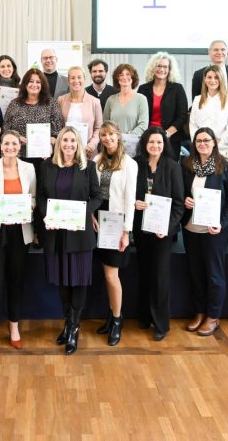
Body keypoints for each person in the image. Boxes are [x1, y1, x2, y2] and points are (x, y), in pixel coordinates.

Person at [35, 126, 102, 354]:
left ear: (79, 144)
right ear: (58, 143)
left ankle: (73, 329)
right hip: (56, 232)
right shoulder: (47, 166)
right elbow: (41, 196)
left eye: (73, 141)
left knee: (79, 280)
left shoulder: (88, 167)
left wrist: (84, 212)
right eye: (65, 140)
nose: (69, 145)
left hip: (79, 233)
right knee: (62, 280)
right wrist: (47, 215)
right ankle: (67, 322)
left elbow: (97, 196)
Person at [0, 130, 36, 353]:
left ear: (19, 147)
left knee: (16, 283)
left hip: (20, 234)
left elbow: (34, 197)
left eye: (14, 144)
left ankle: (14, 327)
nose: (10, 147)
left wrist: (28, 206)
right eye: (6, 144)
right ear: (1, 146)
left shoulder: (28, 169)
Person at [181, 127, 228, 337]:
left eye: (207, 140)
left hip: (214, 230)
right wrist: (184, 200)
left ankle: (213, 316)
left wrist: (222, 224)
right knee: (196, 273)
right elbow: (181, 193)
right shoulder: (186, 165)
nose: (203, 144)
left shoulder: (225, 167)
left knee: (214, 275)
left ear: (214, 142)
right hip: (191, 228)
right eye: (199, 141)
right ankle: (199, 312)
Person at [132, 126, 185, 341]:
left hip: (163, 233)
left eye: (159, 142)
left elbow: (179, 204)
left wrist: (167, 228)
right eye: (151, 142)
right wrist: (133, 203)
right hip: (142, 229)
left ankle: (161, 322)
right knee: (144, 272)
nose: (155, 146)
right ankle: (144, 316)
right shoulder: (136, 165)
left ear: (165, 145)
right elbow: (129, 194)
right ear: (145, 144)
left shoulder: (172, 167)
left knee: (160, 277)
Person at [92, 121, 137, 346]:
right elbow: (91, 192)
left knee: (112, 275)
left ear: (118, 136)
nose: (107, 139)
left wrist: (126, 231)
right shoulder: (96, 161)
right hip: (97, 220)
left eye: (111, 134)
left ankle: (118, 320)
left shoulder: (130, 164)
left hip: (116, 222)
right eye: (103, 135)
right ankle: (111, 316)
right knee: (105, 273)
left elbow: (129, 200)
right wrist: (91, 215)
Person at [2, 68, 64, 169]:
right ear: (25, 84)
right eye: (30, 81)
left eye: (38, 82)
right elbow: (5, 130)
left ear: (42, 85)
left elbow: (58, 132)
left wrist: (51, 141)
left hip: (44, 158)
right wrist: (16, 138)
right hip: (19, 157)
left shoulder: (51, 103)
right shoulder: (14, 104)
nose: (34, 84)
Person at [138, 52, 189, 159]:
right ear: (153, 68)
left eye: (165, 66)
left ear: (170, 69)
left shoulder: (177, 89)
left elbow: (182, 116)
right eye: (159, 65)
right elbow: (139, 114)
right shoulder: (143, 89)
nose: (162, 69)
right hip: (148, 137)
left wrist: (167, 134)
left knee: (168, 171)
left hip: (170, 139)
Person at [189, 67, 228, 157]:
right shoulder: (198, 99)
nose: (212, 80)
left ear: (221, 79)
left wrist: (218, 145)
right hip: (201, 147)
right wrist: (198, 143)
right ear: (205, 79)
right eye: (209, 77)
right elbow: (193, 124)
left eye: (216, 77)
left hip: (222, 148)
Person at [58, 65, 103, 158]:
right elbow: (58, 125)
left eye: (79, 77)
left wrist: (91, 145)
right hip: (66, 150)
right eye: (72, 78)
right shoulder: (61, 100)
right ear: (68, 81)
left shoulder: (95, 102)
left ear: (84, 79)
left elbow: (99, 128)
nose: (76, 81)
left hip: (87, 151)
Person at [104, 63, 149, 145]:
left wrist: (126, 138)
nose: (124, 77)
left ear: (133, 78)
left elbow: (143, 125)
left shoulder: (141, 99)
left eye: (128, 74)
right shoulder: (110, 100)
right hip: (113, 145)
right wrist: (114, 138)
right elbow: (105, 124)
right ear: (117, 78)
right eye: (121, 75)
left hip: (133, 145)